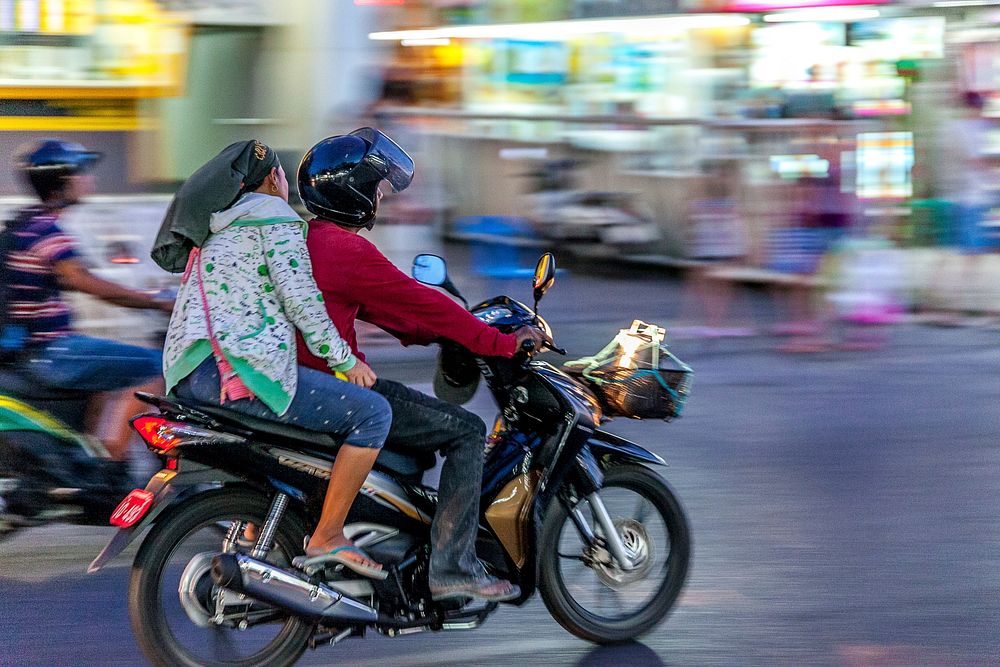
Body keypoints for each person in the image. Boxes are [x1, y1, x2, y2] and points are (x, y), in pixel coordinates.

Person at [296, 128, 548, 602]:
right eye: (376, 186)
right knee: (468, 430)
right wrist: (498, 342)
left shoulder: (307, 242)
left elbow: (398, 313)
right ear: (353, 192)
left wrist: (437, 333)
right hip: (333, 388)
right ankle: (452, 565)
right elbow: (420, 302)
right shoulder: (347, 251)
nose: (381, 196)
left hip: (303, 383)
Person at [160, 140, 392, 579]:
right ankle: (328, 534)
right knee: (373, 413)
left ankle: (254, 524)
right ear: (271, 180)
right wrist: (345, 361)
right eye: (284, 176)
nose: (287, 185)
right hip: (235, 373)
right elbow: (302, 303)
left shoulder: (217, 228)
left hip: (187, 373)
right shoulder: (276, 220)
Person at [1, 140, 170, 461]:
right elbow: (85, 281)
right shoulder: (45, 229)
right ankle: (108, 466)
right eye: (82, 172)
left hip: (36, 351)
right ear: (63, 180)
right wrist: (157, 303)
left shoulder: (26, 223)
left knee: (110, 371)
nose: (89, 179)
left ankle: (89, 456)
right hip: (52, 351)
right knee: (158, 366)